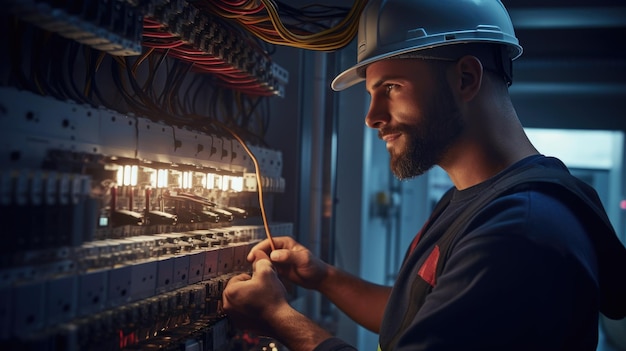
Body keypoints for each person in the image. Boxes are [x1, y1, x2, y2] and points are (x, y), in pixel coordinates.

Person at [222, 0, 626, 350]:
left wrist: (277, 317)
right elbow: (420, 316)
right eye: (371, 94)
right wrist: (324, 277)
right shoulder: (474, 201)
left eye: (392, 87)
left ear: (466, 78)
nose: (372, 117)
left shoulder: (518, 231)